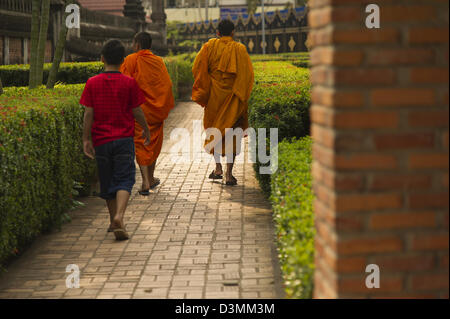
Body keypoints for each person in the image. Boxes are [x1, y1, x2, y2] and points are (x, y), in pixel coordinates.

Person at [81, 39, 151, 241]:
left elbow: (88, 113)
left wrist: (86, 139)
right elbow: (137, 110)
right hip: (124, 139)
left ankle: (114, 219)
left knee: (108, 180)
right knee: (125, 179)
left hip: (102, 141)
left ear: (102, 58)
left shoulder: (92, 83)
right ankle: (119, 216)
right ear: (123, 60)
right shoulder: (129, 82)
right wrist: (145, 129)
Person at [192, 19, 254, 186]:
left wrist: (205, 88)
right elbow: (247, 76)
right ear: (233, 32)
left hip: (214, 98)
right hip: (234, 98)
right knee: (232, 135)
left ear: (218, 32)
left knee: (215, 132)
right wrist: (242, 96)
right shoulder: (240, 49)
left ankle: (218, 167)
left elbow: (197, 68)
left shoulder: (209, 47)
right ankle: (228, 174)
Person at [120, 32, 175, 195]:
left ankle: (146, 180)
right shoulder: (158, 61)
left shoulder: (130, 60)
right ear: (150, 45)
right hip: (156, 110)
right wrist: (161, 104)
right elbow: (167, 85)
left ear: (137, 45)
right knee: (153, 143)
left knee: (141, 143)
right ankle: (150, 177)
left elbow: (125, 84)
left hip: (139, 111)